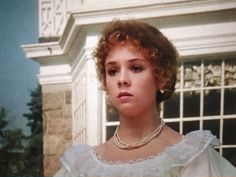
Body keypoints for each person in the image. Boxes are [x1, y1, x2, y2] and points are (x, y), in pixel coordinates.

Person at [55, 19, 236, 177]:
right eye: (112, 71)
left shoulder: (190, 156)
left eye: (135, 68)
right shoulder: (81, 166)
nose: (122, 80)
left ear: (161, 77)